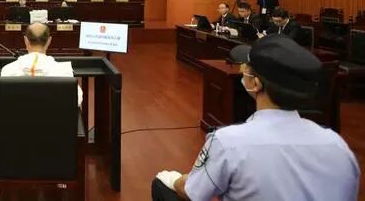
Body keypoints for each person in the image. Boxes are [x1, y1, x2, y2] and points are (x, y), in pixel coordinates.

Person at [151, 35, 360, 201]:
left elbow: (193, 192)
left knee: (161, 184)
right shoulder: (339, 147)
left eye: (246, 68)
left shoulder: (227, 142)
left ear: (256, 83)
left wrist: (172, 178)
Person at [0, 23, 83, 107]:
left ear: (26, 40)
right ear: (49, 41)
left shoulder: (7, 70)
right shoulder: (64, 71)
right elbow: (77, 100)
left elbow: (3, 101)